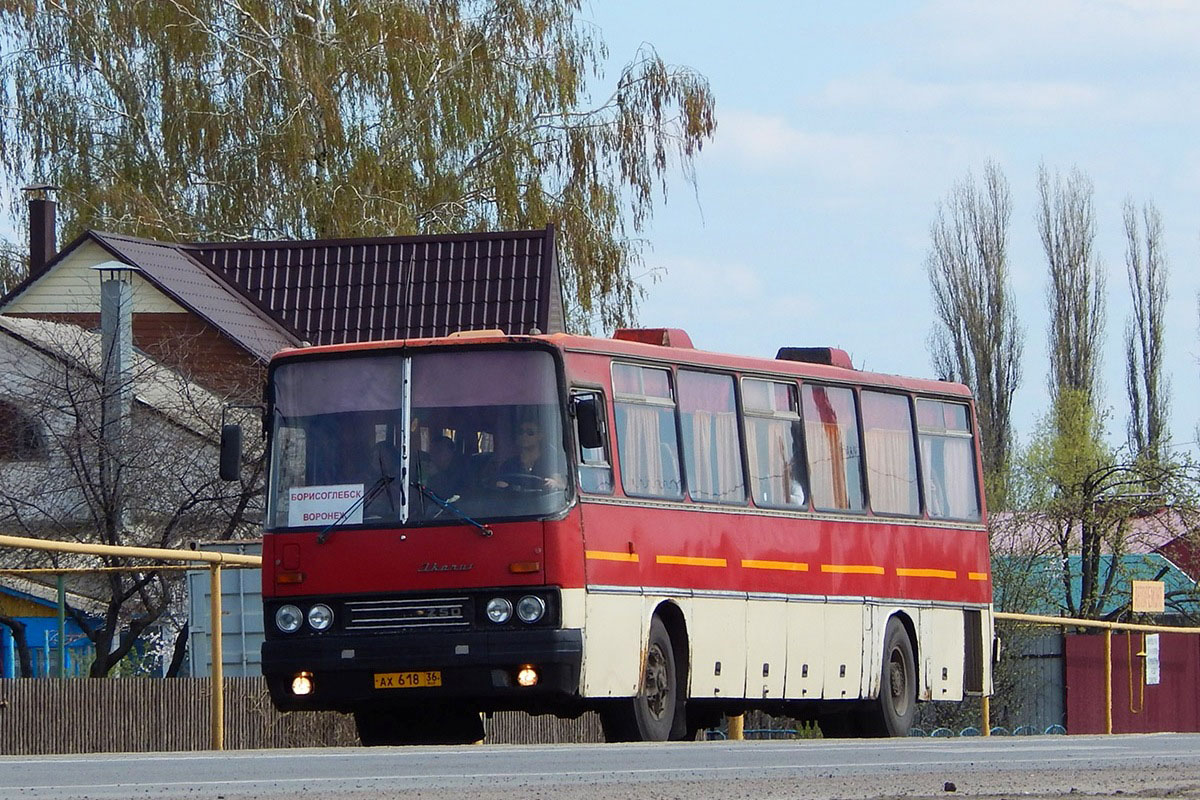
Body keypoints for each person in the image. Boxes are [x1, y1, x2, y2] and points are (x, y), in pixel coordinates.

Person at [494, 420, 565, 491]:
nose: (524, 435)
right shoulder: (509, 465)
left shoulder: (550, 463)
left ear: (540, 436)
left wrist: (555, 484)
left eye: (530, 432)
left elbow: (564, 487)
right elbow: (499, 487)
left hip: (543, 501)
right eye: (521, 432)